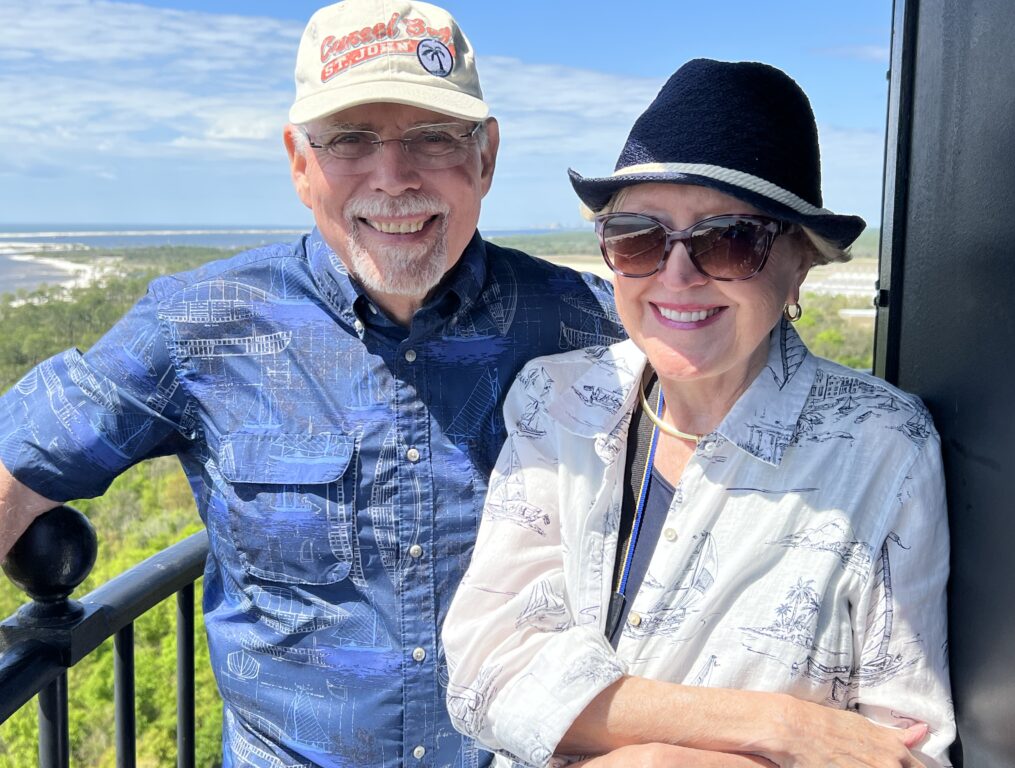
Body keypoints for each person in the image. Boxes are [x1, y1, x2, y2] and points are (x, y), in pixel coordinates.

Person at [0, 1, 621, 766]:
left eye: (432, 137)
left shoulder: (589, 327)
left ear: (486, 157)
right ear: (300, 161)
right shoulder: (203, 326)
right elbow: (13, 471)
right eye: (350, 141)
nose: (393, 179)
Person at [442, 59, 955, 768]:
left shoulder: (882, 448)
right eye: (638, 237)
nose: (677, 275)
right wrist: (776, 727)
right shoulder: (556, 399)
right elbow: (484, 673)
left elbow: (905, 752)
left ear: (800, 259)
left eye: (730, 238)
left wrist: (652, 756)